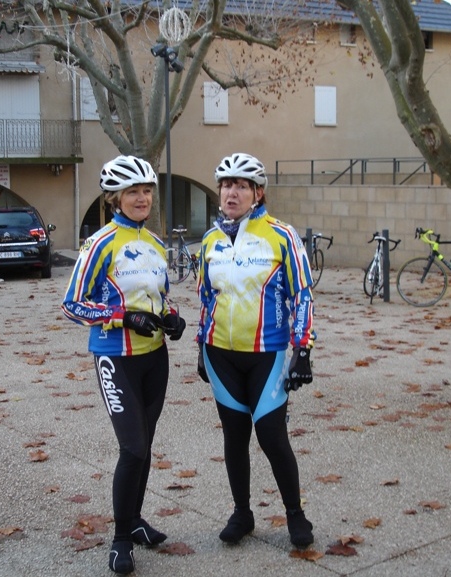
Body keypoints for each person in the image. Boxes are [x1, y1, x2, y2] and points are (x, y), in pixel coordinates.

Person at [61, 155, 186, 574]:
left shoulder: (153, 244)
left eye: (147, 190)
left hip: (155, 358)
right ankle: (119, 539)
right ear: (115, 197)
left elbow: (160, 294)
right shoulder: (99, 244)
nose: (142, 198)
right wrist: (121, 317)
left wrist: (171, 316)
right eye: (133, 191)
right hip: (116, 358)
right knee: (132, 448)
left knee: (145, 447)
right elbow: (72, 304)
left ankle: (134, 522)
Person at [196, 152, 315, 548]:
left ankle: (295, 515)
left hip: (269, 352)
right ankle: (242, 513)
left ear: (257, 192)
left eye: (241, 185)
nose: (232, 192)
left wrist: (303, 349)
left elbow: (302, 295)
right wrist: (201, 345)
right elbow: (206, 296)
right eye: (226, 185)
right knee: (234, 436)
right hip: (220, 354)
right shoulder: (210, 241)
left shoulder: (281, 235)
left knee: (271, 436)